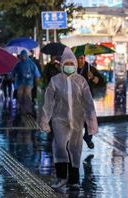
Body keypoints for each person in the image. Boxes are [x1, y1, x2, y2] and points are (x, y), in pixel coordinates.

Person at [40, 47, 98, 190]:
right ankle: (61, 177)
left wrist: (91, 120)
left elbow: (88, 102)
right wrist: (44, 120)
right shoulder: (55, 81)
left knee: (75, 149)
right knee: (60, 147)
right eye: (66, 64)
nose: (69, 67)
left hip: (77, 120)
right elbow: (48, 102)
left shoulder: (81, 81)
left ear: (75, 65)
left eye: (72, 64)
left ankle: (74, 180)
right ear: (62, 65)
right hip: (59, 120)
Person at [76, 54, 106, 149]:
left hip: (87, 98)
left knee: (90, 120)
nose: (79, 61)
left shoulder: (90, 69)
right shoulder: (71, 68)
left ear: (84, 58)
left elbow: (101, 81)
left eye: (81, 58)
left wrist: (93, 78)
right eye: (77, 58)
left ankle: (88, 138)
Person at [12, 50, 41, 114]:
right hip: (21, 82)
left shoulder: (31, 63)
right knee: (20, 94)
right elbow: (14, 72)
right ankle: (22, 108)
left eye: (23, 56)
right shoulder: (19, 64)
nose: (22, 57)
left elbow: (36, 73)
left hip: (29, 82)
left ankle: (28, 109)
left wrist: (37, 80)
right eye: (21, 56)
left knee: (27, 94)